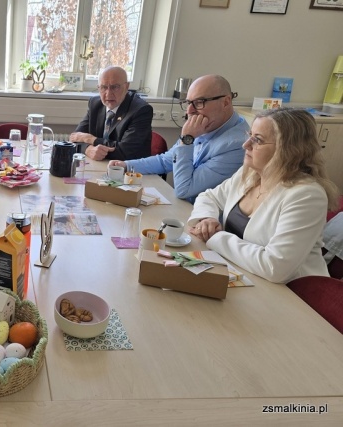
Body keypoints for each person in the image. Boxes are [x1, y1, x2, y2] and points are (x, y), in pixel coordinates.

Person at [187, 108, 339, 284]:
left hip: (294, 292)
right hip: (245, 274)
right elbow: (209, 197)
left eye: (257, 140)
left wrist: (216, 237)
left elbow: (275, 267)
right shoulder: (251, 174)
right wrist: (207, 219)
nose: (246, 145)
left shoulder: (307, 196)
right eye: (249, 135)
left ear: (288, 150)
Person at [109, 75, 249, 202]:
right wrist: (127, 165)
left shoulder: (238, 145)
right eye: (188, 103)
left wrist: (187, 139)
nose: (189, 111)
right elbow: (165, 161)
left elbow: (184, 190)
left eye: (199, 102)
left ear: (226, 102)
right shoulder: (208, 125)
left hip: (201, 217)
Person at [69, 66, 152, 162]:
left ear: (126, 87)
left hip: (129, 168)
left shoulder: (141, 110)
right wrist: (88, 149)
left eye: (115, 87)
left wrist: (92, 140)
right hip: (100, 165)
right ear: (98, 87)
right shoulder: (95, 104)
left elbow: (124, 152)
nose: (108, 94)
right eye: (104, 87)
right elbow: (75, 138)